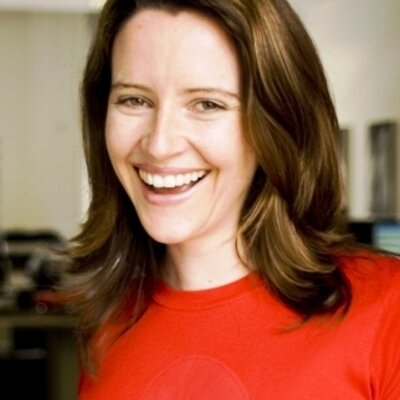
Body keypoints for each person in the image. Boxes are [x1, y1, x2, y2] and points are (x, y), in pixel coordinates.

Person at [67, 0, 400, 398]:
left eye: (207, 104)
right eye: (134, 100)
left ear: (277, 123)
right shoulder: (108, 324)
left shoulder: (386, 311)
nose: (159, 145)